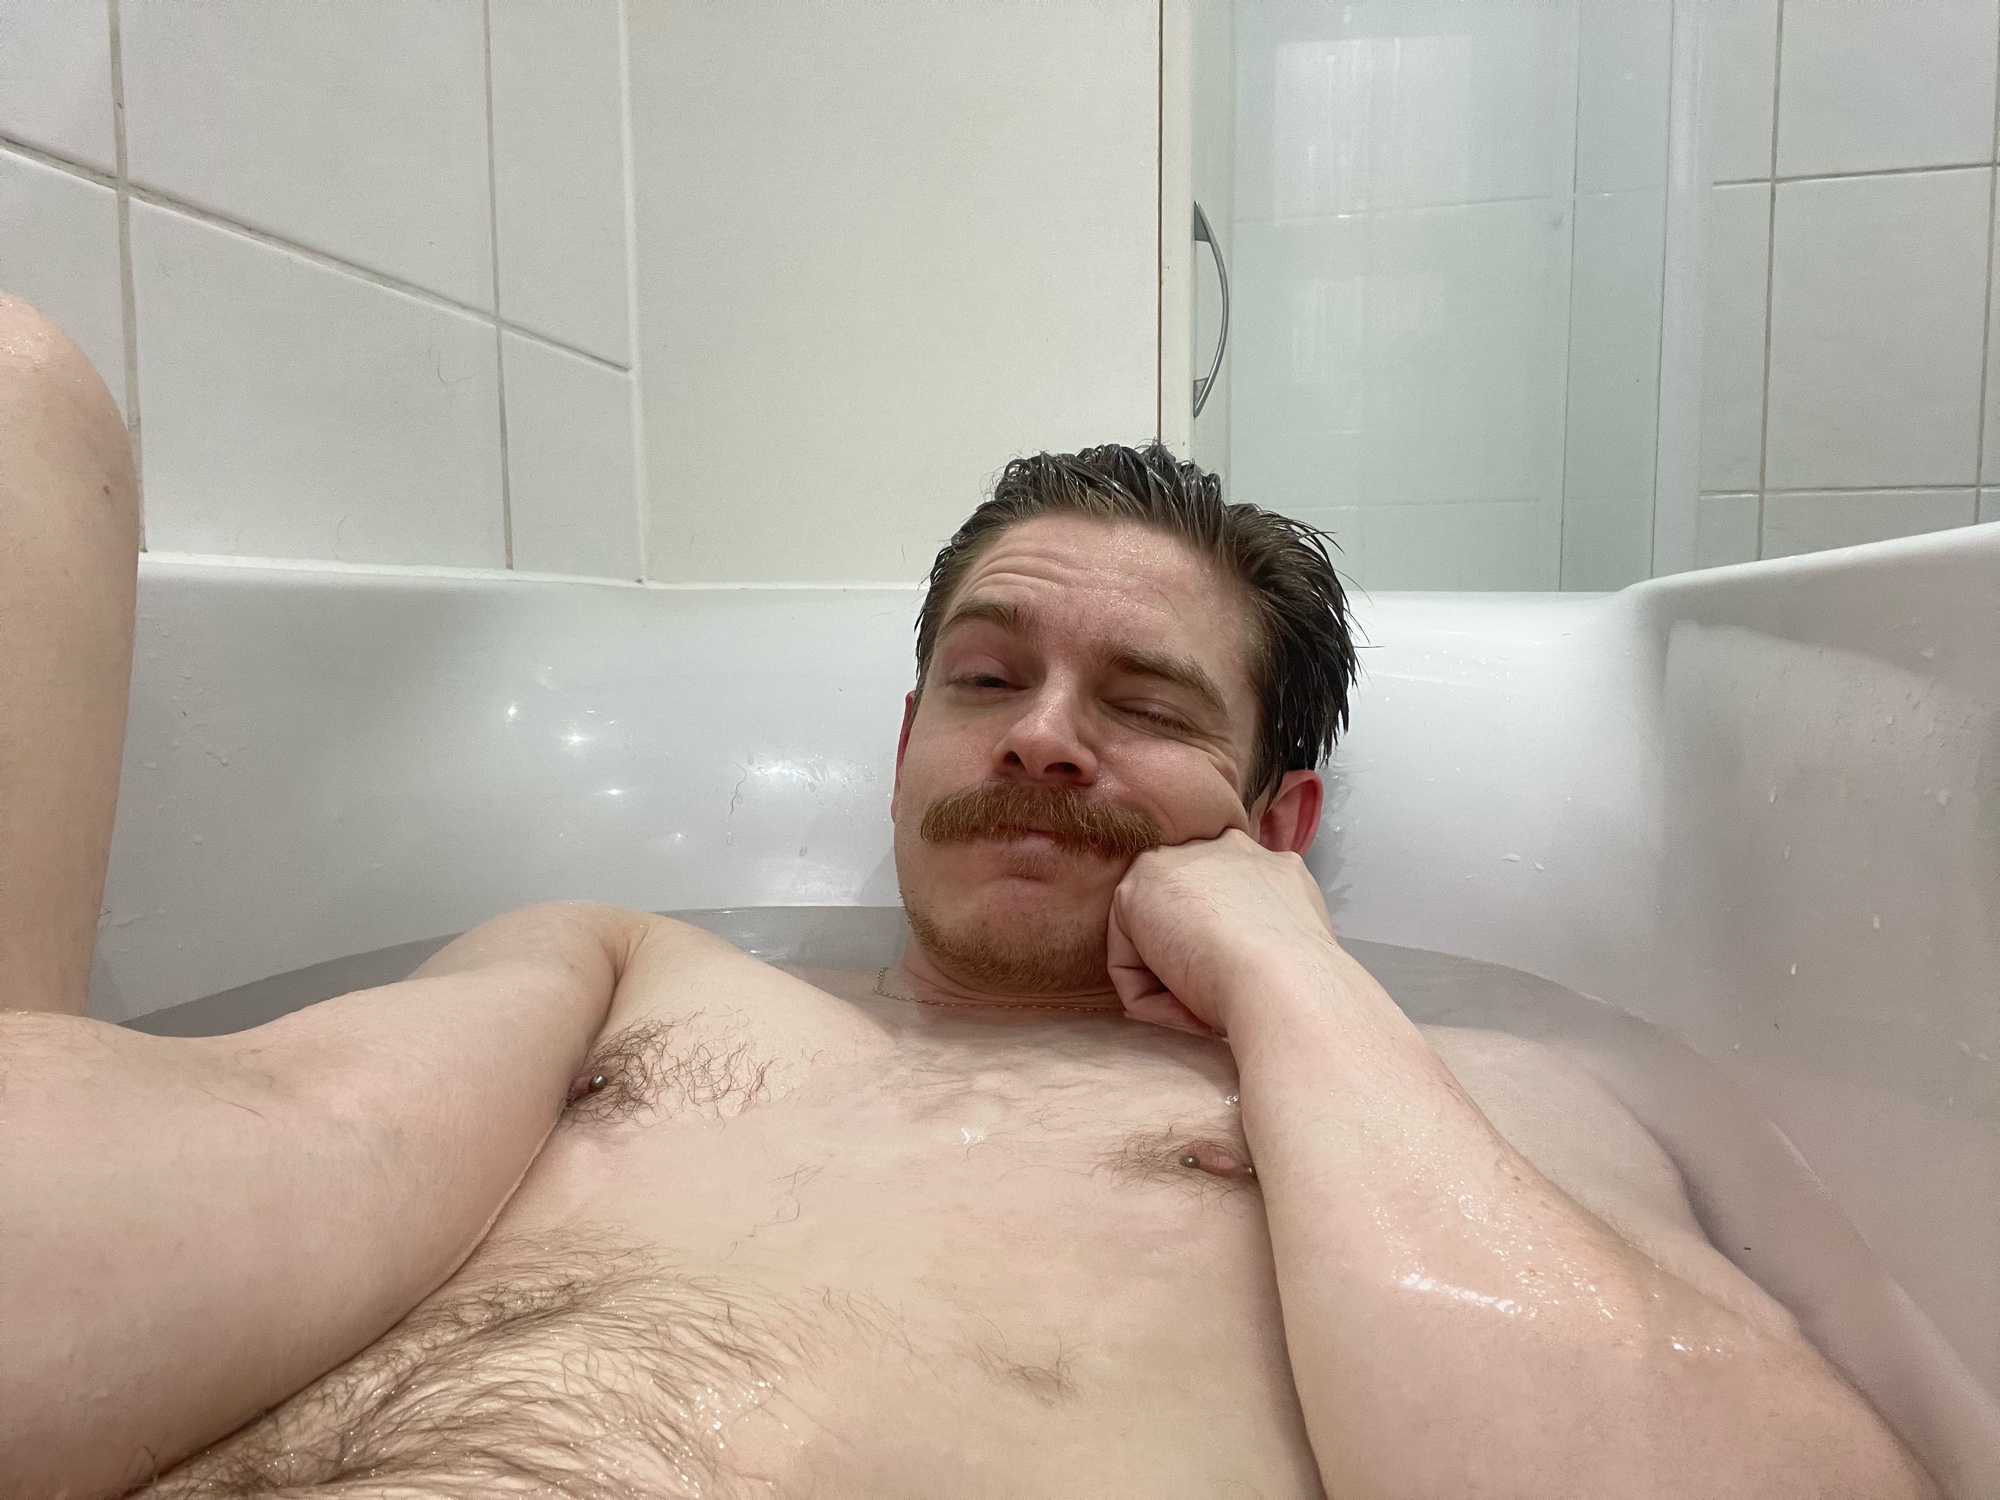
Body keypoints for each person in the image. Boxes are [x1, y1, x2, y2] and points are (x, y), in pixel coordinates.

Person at [0, 292, 1935, 1500]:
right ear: (904, 743)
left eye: (1146, 705)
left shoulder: (1464, 1104)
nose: (1044, 739)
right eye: (988, 679)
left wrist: (1292, 981)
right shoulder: (622, 972)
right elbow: (276, 1141)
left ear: (1279, 816)